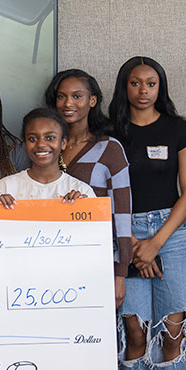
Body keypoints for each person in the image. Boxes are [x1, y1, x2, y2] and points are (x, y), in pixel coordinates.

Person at [108, 56, 186, 370]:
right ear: (124, 86)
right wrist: (133, 246)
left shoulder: (178, 128)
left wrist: (155, 243)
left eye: (150, 83)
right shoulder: (110, 131)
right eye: (135, 83)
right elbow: (102, 191)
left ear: (160, 87)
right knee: (136, 332)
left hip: (170, 234)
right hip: (123, 232)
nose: (143, 90)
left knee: (171, 333)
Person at [46, 69, 132, 307]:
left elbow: (122, 216)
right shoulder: (44, 146)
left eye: (77, 96)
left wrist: (120, 274)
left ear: (92, 101)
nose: (68, 103)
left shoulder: (109, 148)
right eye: (61, 97)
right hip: (46, 259)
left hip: (94, 261)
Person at [0, 108, 94, 205]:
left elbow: (94, 224)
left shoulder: (82, 191)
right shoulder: (4, 187)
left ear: (63, 143)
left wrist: (82, 207)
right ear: (25, 144)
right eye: (32, 139)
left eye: (50, 138)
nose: (41, 144)